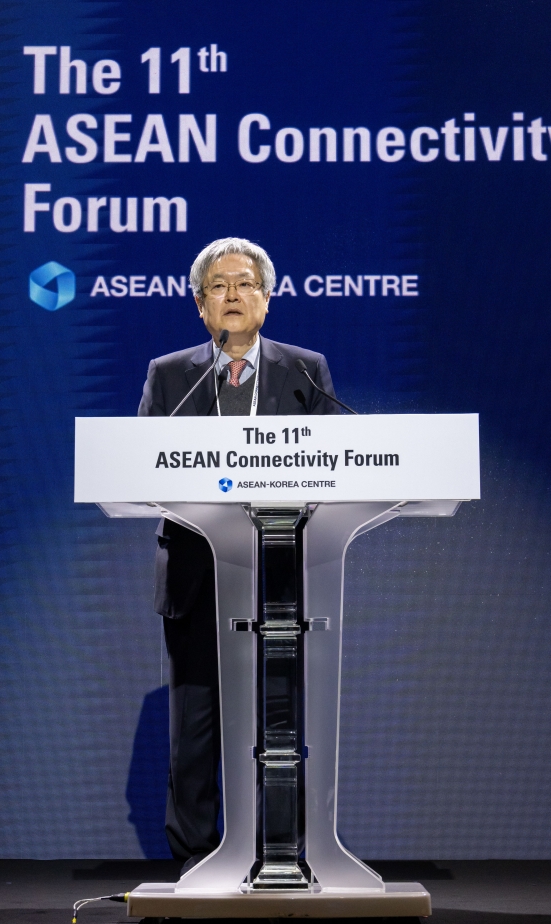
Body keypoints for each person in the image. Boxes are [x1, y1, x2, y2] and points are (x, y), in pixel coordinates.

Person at [138, 237, 340, 872]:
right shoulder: (169, 374)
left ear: (267, 299)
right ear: (200, 305)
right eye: (219, 287)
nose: (233, 296)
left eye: (245, 284)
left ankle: (278, 857)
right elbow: (142, 468)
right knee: (194, 733)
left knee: (277, 727)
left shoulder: (306, 370)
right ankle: (195, 863)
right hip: (198, 578)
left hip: (280, 581)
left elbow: (336, 467)